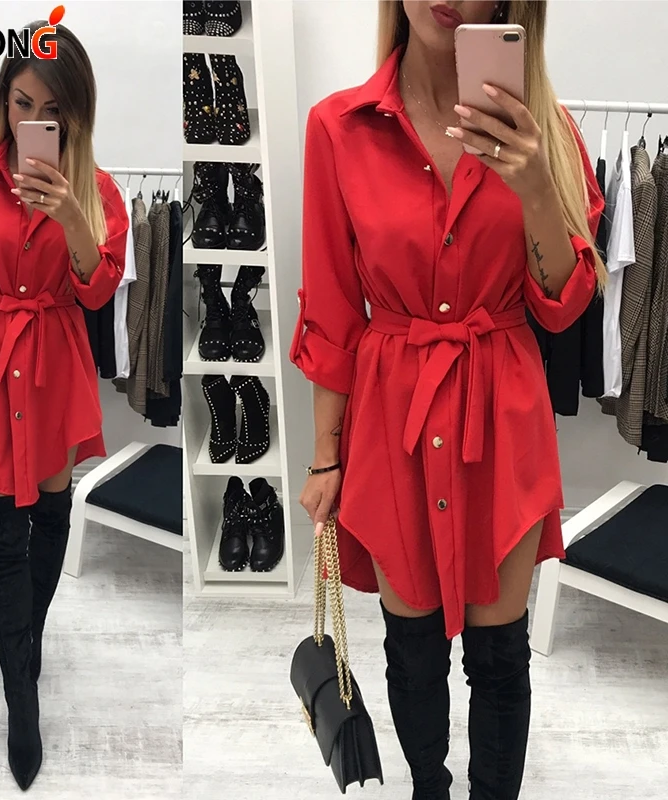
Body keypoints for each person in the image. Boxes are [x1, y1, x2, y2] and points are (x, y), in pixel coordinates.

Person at [291, 2, 604, 798]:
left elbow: (564, 305)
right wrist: (326, 458)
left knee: (500, 658)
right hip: (390, 418)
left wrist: (535, 185)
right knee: (414, 651)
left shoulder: (546, 131)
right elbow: (331, 314)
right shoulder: (338, 129)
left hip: (503, 414)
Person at [0, 21, 128, 792]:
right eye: (21, 103)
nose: (33, 120)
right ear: (3, 102)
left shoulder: (99, 192)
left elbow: (97, 291)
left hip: (54, 370)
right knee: (3, 536)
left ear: (75, 113)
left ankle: (25, 643)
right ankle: (21, 698)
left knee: (51, 516)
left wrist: (73, 215)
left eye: (51, 108)